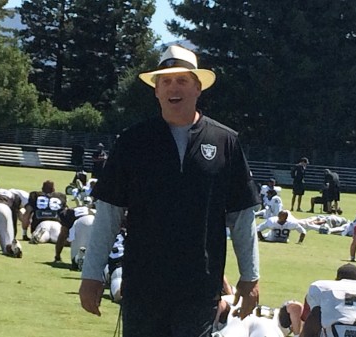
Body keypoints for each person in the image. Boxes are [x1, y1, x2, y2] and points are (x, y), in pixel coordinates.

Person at [79, 44, 261, 337]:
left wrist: (250, 277)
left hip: (199, 288)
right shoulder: (132, 142)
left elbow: (242, 216)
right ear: (156, 90)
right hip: (142, 287)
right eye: (165, 81)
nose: (173, 88)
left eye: (182, 80)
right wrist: (91, 275)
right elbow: (109, 214)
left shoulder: (225, 141)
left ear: (198, 87)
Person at [301, 263, 356, 337]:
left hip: (337, 332)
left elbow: (312, 317)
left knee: (318, 313)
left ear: (337, 279)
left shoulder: (324, 287)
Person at [22, 180, 67, 250]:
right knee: (59, 239)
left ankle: (37, 236)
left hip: (42, 224)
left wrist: (24, 233)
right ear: (53, 189)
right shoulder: (61, 196)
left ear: (42, 189)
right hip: (56, 223)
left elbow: (27, 214)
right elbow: (66, 214)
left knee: (43, 237)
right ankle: (66, 240)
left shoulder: (35, 195)